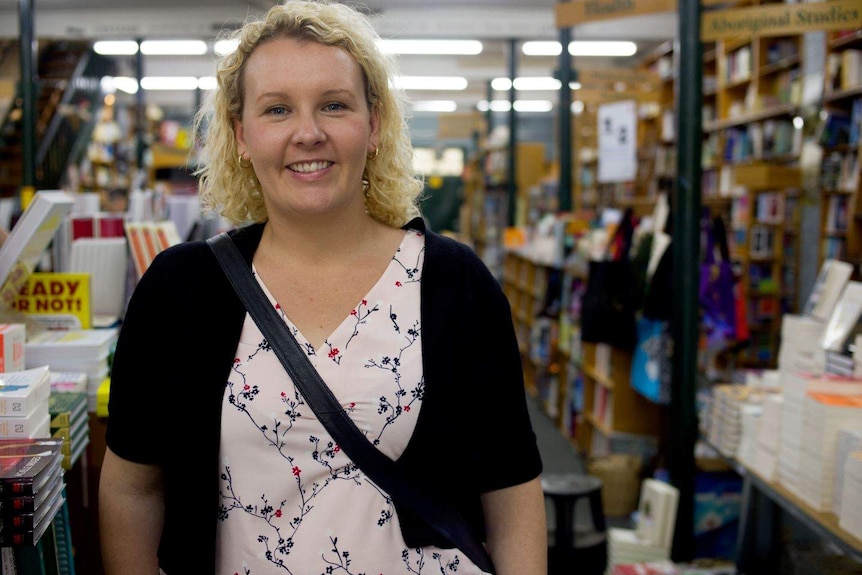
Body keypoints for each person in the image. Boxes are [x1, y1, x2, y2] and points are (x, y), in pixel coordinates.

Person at [98, 1, 546, 574]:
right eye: (277, 109)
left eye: (334, 105)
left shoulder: (453, 283)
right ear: (240, 134)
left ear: (374, 123)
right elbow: (133, 490)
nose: (308, 134)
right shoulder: (182, 289)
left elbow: (511, 495)